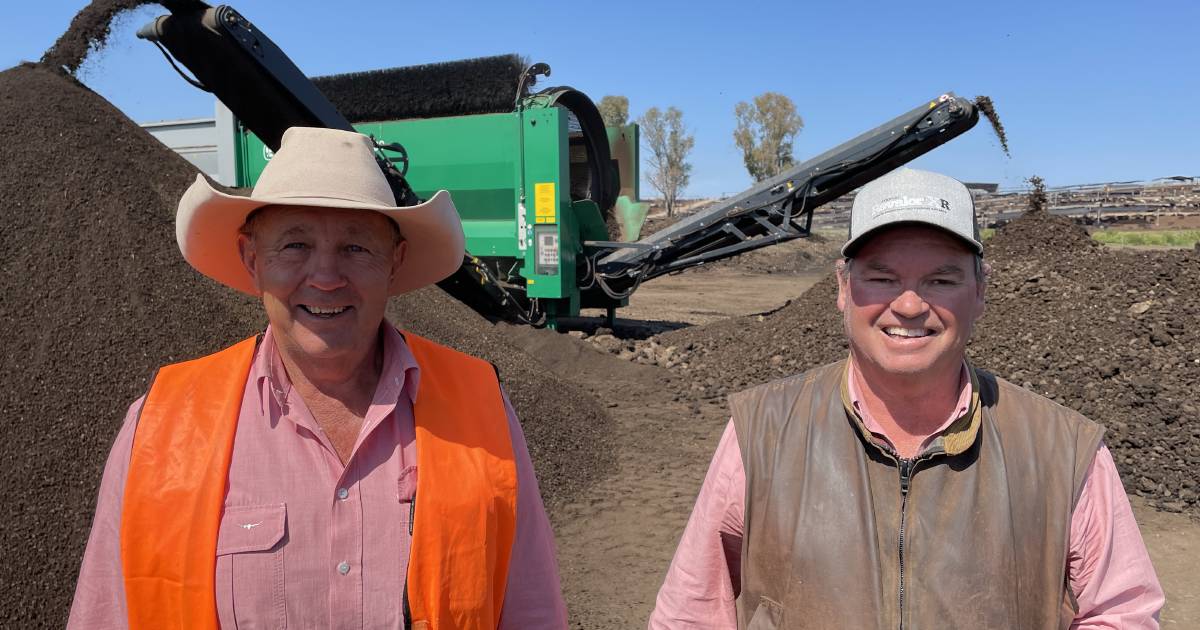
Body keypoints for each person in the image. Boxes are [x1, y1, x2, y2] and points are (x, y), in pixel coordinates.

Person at [68, 127, 567, 629]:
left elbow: (531, 610)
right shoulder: (161, 427)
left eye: (356, 247)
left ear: (394, 262)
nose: (326, 277)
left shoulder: (480, 406)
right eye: (295, 245)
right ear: (251, 259)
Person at [649, 168, 1163, 629]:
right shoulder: (761, 432)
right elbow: (691, 613)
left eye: (941, 279)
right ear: (842, 288)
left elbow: (1123, 614)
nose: (910, 305)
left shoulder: (1064, 449)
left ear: (980, 291)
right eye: (882, 278)